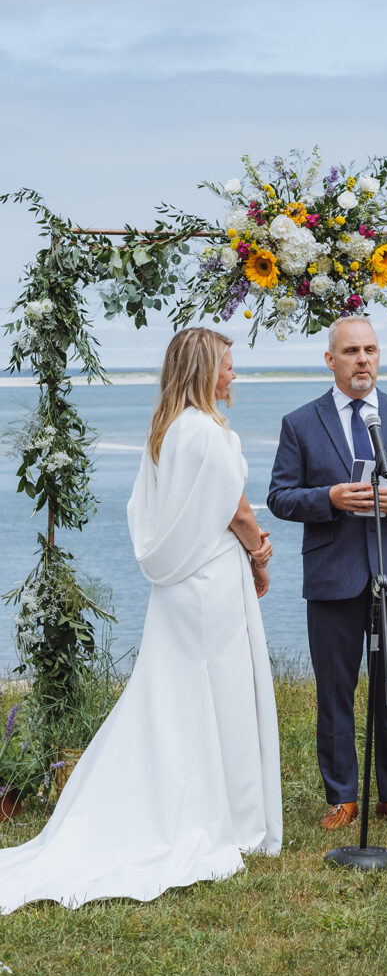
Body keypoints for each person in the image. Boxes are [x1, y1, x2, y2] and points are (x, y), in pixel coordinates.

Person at [0, 328, 282, 913]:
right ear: (205, 369)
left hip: (178, 589)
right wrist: (259, 554)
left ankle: (193, 797)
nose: (234, 376)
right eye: (228, 365)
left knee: (179, 694)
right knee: (221, 692)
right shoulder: (206, 431)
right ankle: (229, 815)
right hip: (208, 584)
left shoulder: (166, 429)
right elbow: (235, 507)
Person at [267, 315, 387, 831]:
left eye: (370, 349)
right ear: (331, 360)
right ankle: (343, 797)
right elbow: (279, 497)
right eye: (351, 351)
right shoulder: (300, 422)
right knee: (335, 691)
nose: (362, 359)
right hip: (332, 574)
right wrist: (327, 498)